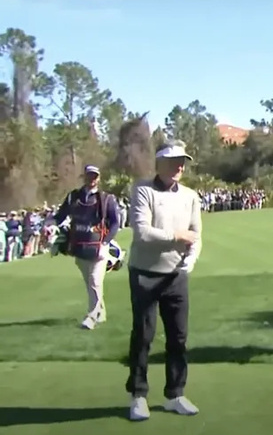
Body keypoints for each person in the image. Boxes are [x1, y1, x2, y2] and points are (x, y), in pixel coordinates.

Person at [126, 140, 202, 421]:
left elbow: (196, 234)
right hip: (145, 274)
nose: (180, 166)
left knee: (178, 337)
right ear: (160, 163)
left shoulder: (190, 196)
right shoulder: (143, 190)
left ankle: (175, 394)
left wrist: (188, 263)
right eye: (174, 161)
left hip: (176, 276)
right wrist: (176, 237)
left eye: (183, 161)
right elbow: (142, 233)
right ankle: (138, 395)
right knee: (144, 335)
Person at [53, 165, 120, 330]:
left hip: (99, 248)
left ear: (99, 178)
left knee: (95, 282)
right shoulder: (74, 197)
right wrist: (50, 225)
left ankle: (91, 316)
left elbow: (115, 223)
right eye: (89, 175)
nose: (92, 179)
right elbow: (60, 215)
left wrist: (106, 242)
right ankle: (101, 312)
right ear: (84, 176)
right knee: (90, 284)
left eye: (95, 176)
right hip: (79, 248)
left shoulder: (106, 199)